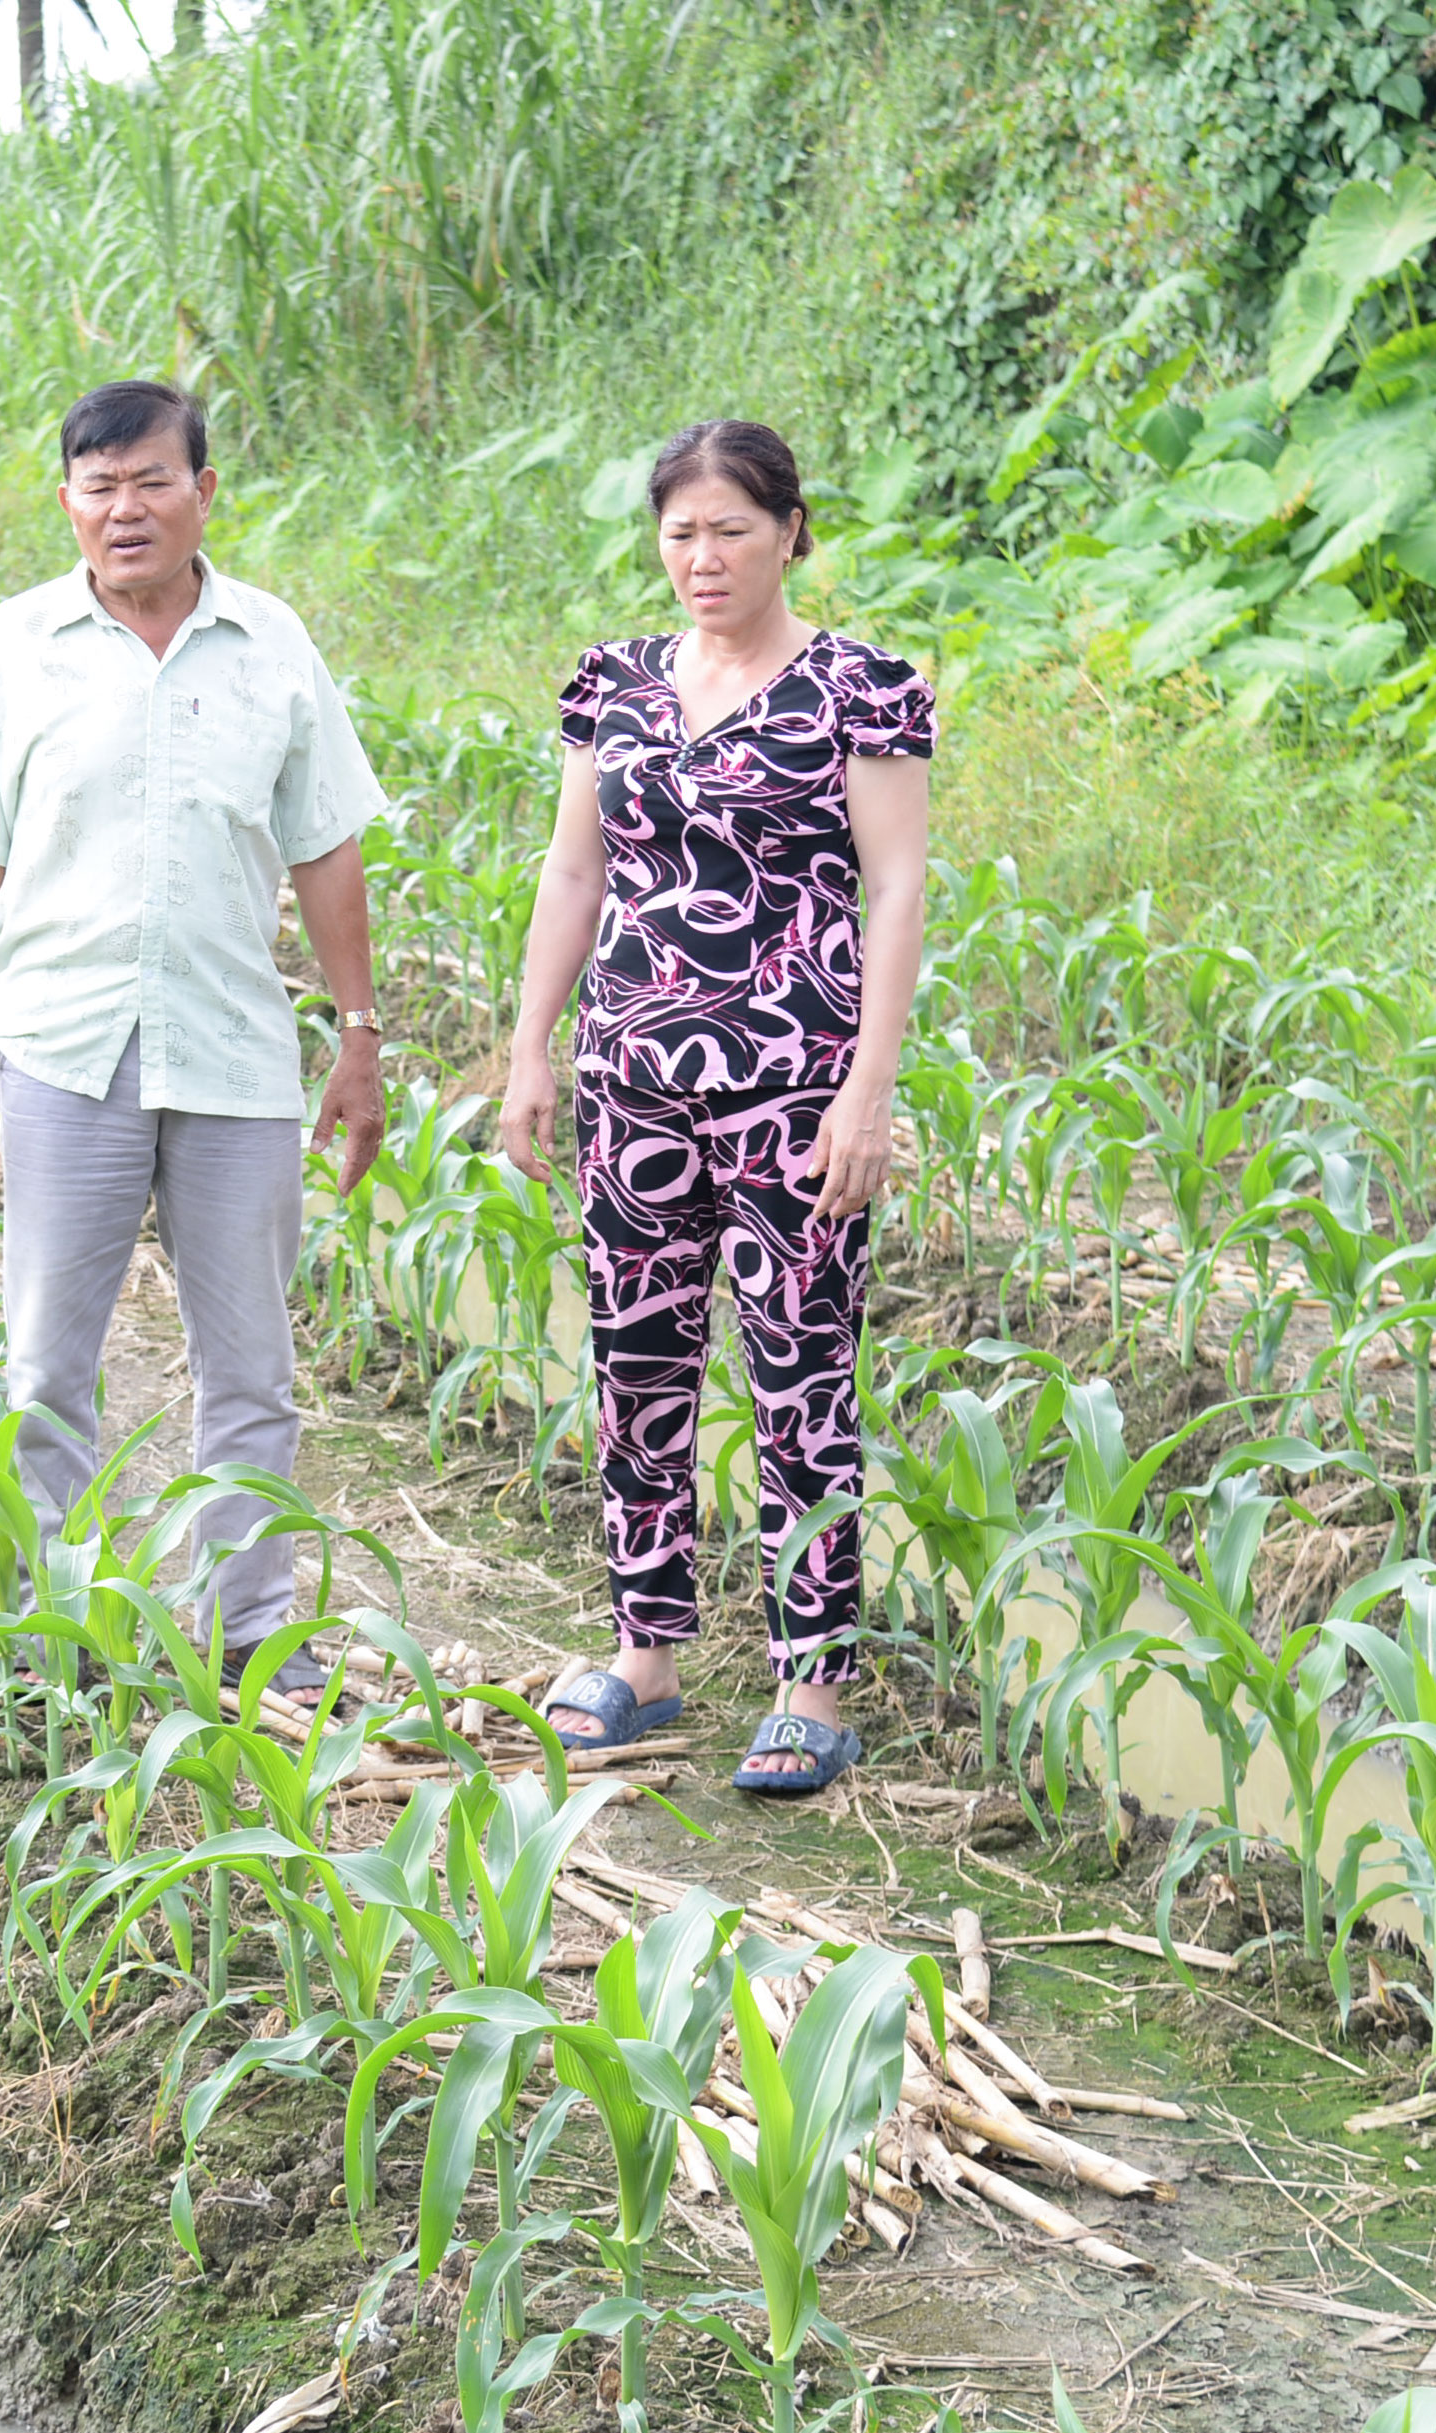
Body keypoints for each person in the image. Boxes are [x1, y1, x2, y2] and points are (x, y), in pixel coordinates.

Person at [0, 379, 389, 1684]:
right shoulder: (15, 647)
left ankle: (249, 1640)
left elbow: (325, 851)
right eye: (98, 486)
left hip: (233, 1054)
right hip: (66, 1048)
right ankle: (56, 1631)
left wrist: (357, 1037)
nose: (124, 510)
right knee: (49, 1365)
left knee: (251, 1372)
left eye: (150, 481)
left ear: (202, 493)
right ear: (65, 503)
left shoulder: (274, 645)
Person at [495, 419, 934, 1796]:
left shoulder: (858, 690)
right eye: (679, 532)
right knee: (636, 1363)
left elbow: (895, 891)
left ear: (790, 532)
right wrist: (527, 1052)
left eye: (730, 530)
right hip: (631, 1085)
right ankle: (646, 1653)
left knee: (799, 1377)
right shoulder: (613, 684)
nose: (702, 557)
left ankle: (815, 1681)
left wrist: (866, 1094)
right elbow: (572, 879)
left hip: (793, 1093)